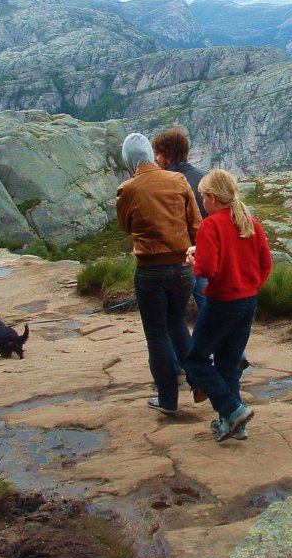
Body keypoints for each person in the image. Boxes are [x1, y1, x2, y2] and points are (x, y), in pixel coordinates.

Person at [115, 133, 202, 415]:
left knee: (156, 334)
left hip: (150, 270)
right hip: (182, 268)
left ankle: (168, 399)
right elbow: (196, 224)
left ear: (129, 159)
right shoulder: (178, 181)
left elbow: (124, 226)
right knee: (177, 325)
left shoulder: (128, 189)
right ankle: (199, 381)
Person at [183, 169, 272, 442]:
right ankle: (233, 424)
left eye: (202, 197)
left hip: (221, 302)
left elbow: (207, 268)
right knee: (228, 363)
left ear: (210, 198)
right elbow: (265, 264)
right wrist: (250, 287)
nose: (202, 202)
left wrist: (192, 262)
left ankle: (233, 409)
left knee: (195, 359)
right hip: (247, 303)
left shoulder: (211, 225)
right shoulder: (249, 222)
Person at [151, 127, 208, 311]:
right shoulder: (203, 178)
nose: (155, 159)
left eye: (158, 153)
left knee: (173, 316)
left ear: (168, 154)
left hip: (176, 259)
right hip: (203, 253)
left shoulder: (164, 182)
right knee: (207, 305)